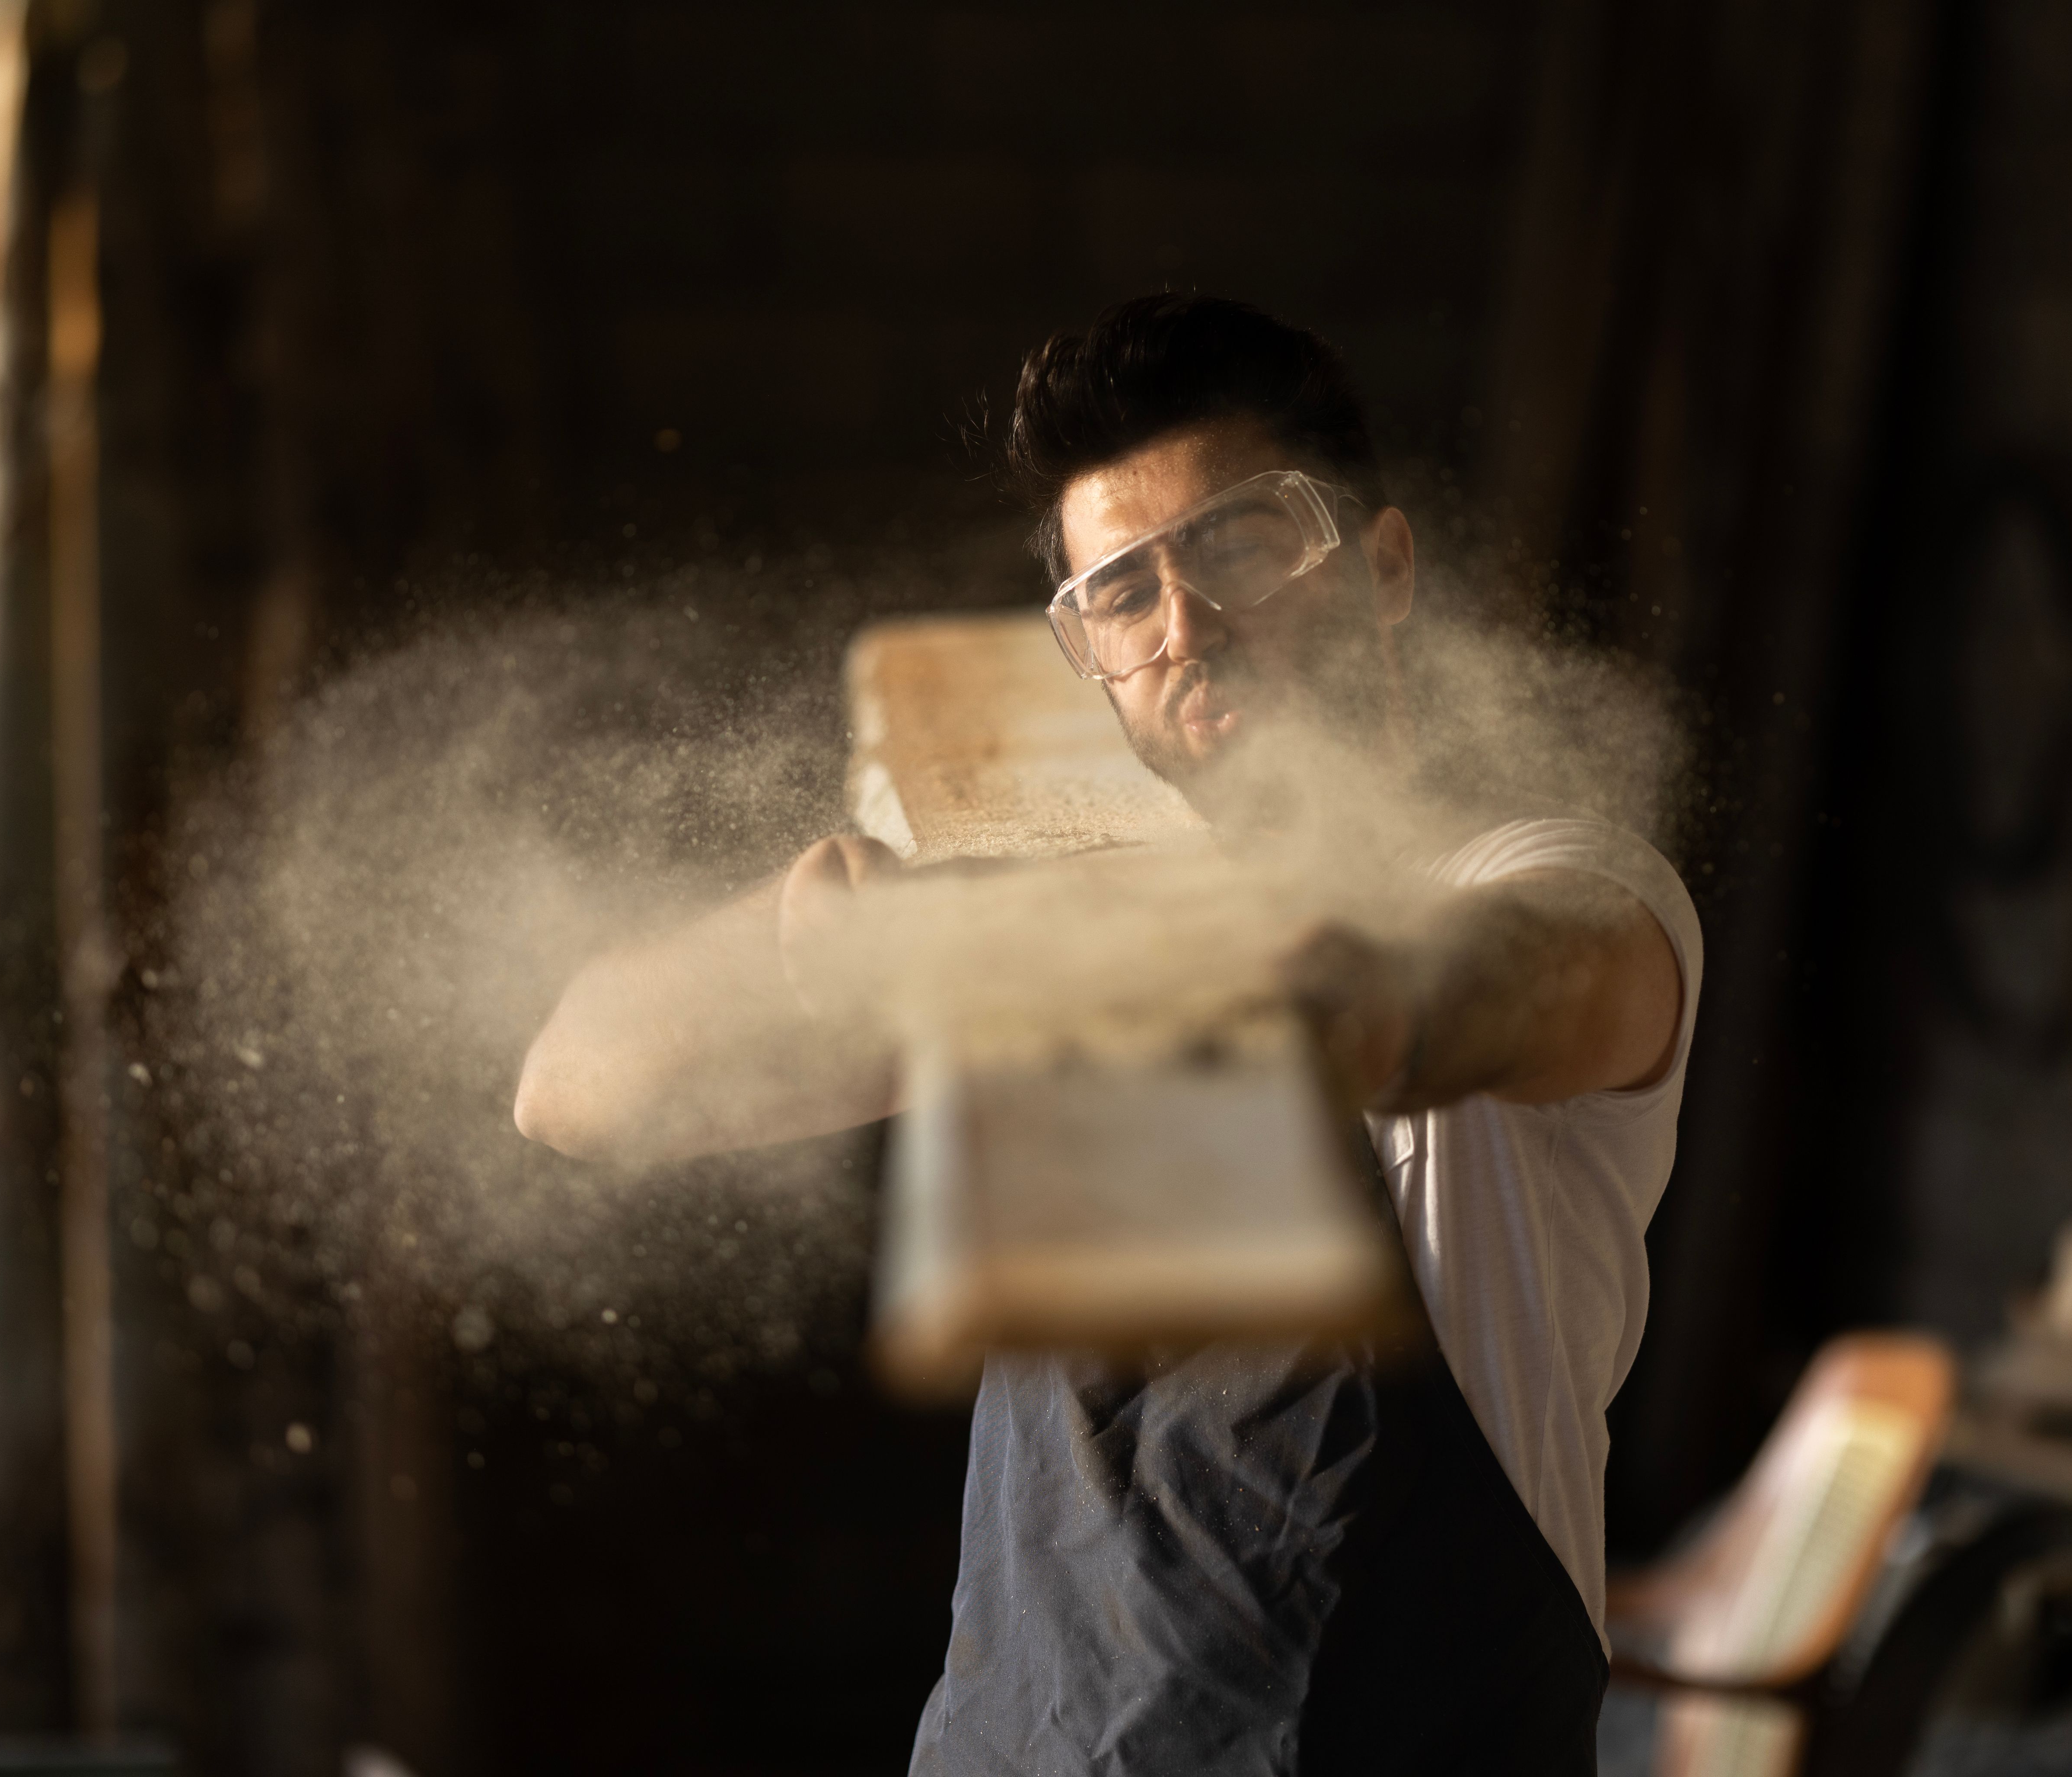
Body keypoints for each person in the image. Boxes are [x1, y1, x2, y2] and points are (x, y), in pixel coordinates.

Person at [515, 294, 1701, 1776]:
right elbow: (578, 1087)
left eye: (1242, 542)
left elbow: (1423, 1003)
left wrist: (1098, 958)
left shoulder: (1551, 886)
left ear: (1383, 568)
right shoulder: (1048, 941)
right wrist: (808, 925)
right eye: (1123, 595)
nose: (1189, 621)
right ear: (1097, 661)